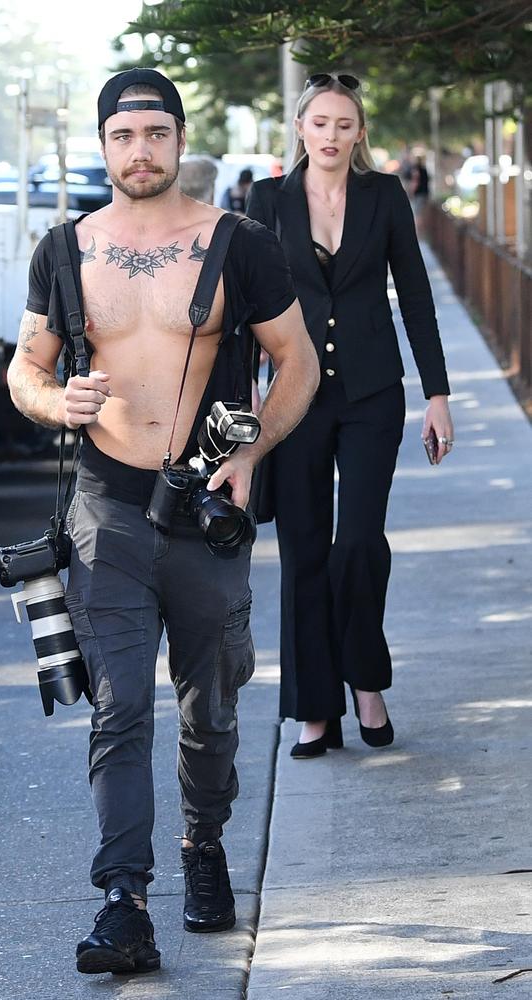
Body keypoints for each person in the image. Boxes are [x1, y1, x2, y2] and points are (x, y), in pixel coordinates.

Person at [6, 68, 318, 976]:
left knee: (210, 704)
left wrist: (252, 458)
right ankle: (124, 900)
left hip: (205, 509)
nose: (139, 151)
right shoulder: (62, 250)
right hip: (106, 507)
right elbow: (27, 368)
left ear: (180, 141)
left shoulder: (239, 243)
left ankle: (204, 843)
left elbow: (294, 361)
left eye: (154, 134)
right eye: (122, 136)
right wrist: (52, 399)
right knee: (119, 708)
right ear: (102, 147)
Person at [246, 72, 453, 760]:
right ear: (300, 127)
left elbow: (416, 293)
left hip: (372, 391)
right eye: (320, 122)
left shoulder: (383, 194)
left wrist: (438, 394)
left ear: (359, 131)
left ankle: (365, 680)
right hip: (295, 396)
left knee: (360, 541)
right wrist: (249, 389)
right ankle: (314, 708)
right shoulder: (267, 199)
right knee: (305, 548)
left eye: (344, 124)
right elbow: (245, 300)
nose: (332, 135)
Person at [409, 154, 430, 236]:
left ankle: (419, 233)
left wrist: (411, 192)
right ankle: (423, 232)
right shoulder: (424, 169)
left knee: (418, 214)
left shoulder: (416, 169)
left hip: (419, 194)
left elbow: (415, 182)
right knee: (422, 213)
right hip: (425, 193)